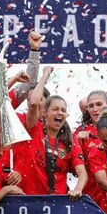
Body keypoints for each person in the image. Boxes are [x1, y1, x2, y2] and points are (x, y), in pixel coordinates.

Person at [18, 66, 88, 197]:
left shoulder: (70, 139)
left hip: (56, 205)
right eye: (55, 109)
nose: (60, 113)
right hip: (28, 201)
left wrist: (77, 189)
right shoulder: (33, 128)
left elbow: (82, 173)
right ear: (44, 112)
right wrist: (45, 76)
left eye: (63, 110)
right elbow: (33, 103)